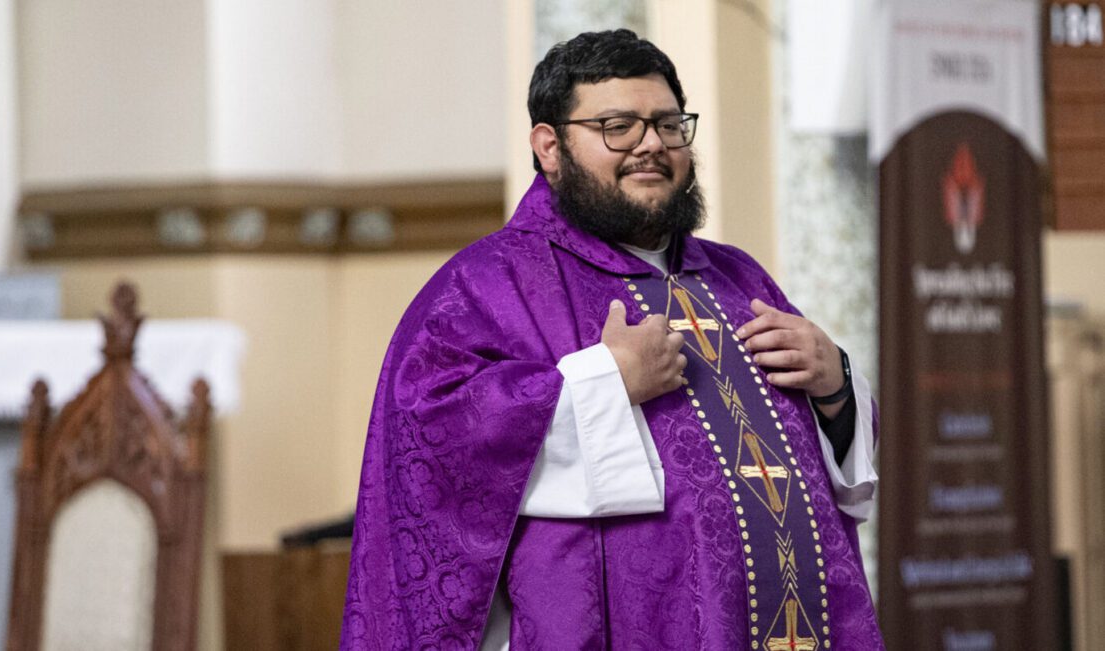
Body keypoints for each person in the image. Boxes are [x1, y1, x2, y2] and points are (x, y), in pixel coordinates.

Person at [341, 29, 883, 650]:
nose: (651, 145)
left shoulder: (737, 276)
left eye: (668, 124)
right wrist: (604, 384)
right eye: (618, 126)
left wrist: (837, 386)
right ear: (550, 146)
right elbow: (427, 440)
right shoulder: (485, 284)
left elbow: (824, 460)